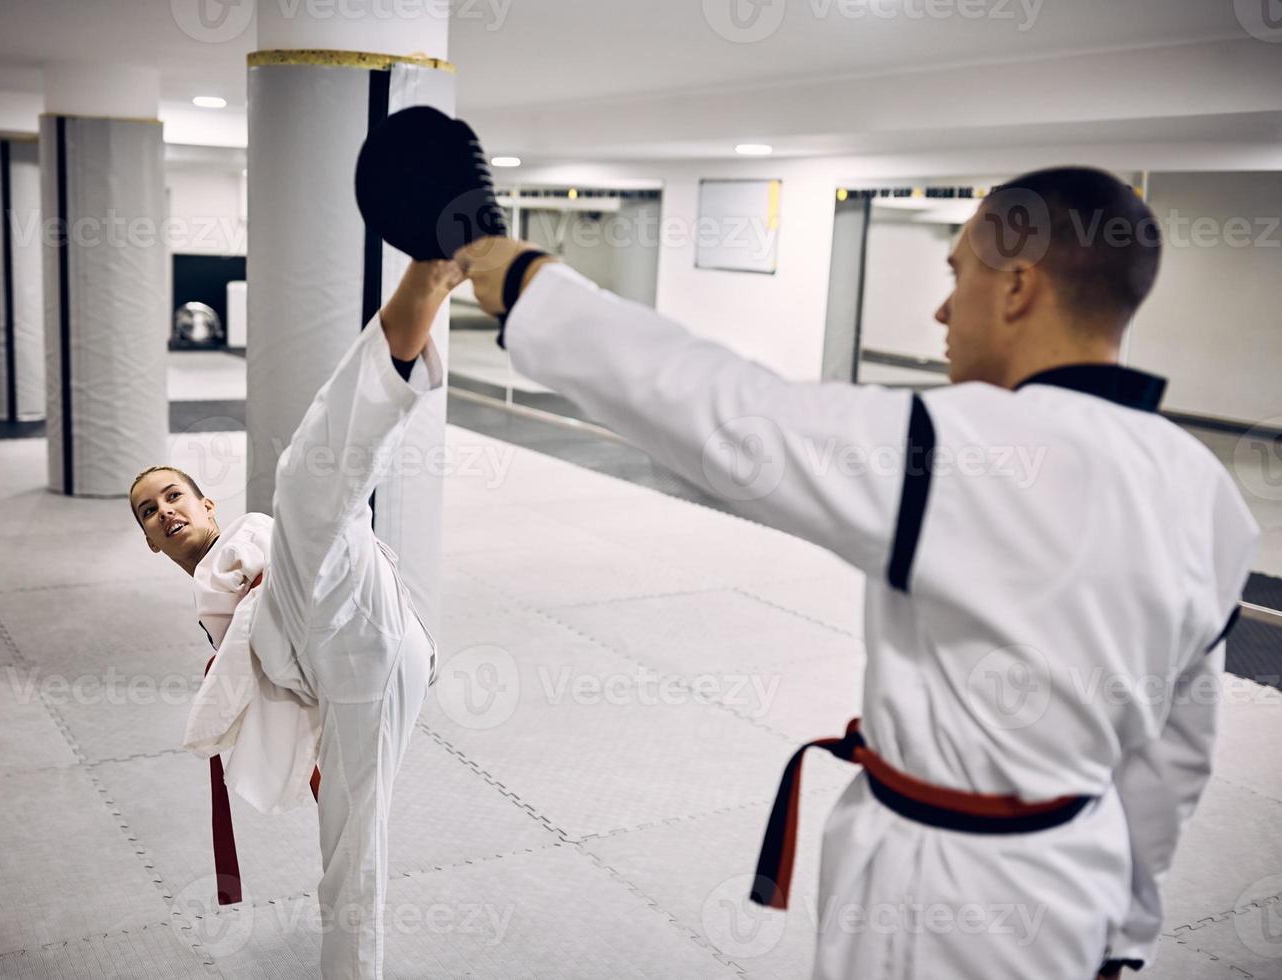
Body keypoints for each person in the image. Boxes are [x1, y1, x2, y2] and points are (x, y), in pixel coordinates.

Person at [452, 167, 1258, 980]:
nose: (944, 310)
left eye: (958, 275)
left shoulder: (963, 451)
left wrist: (526, 279)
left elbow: (727, 412)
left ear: (1018, 286)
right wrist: (1125, 932)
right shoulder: (1210, 495)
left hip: (945, 900)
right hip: (1078, 878)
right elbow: (1175, 757)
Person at [128, 258, 460, 980]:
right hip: (345, 673)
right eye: (150, 513)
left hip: (344, 605)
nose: (166, 510)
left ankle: (421, 296)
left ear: (206, 504)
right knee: (349, 846)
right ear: (151, 542)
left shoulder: (250, 531)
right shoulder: (208, 611)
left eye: (175, 494)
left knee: (306, 490)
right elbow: (275, 688)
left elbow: (303, 553)